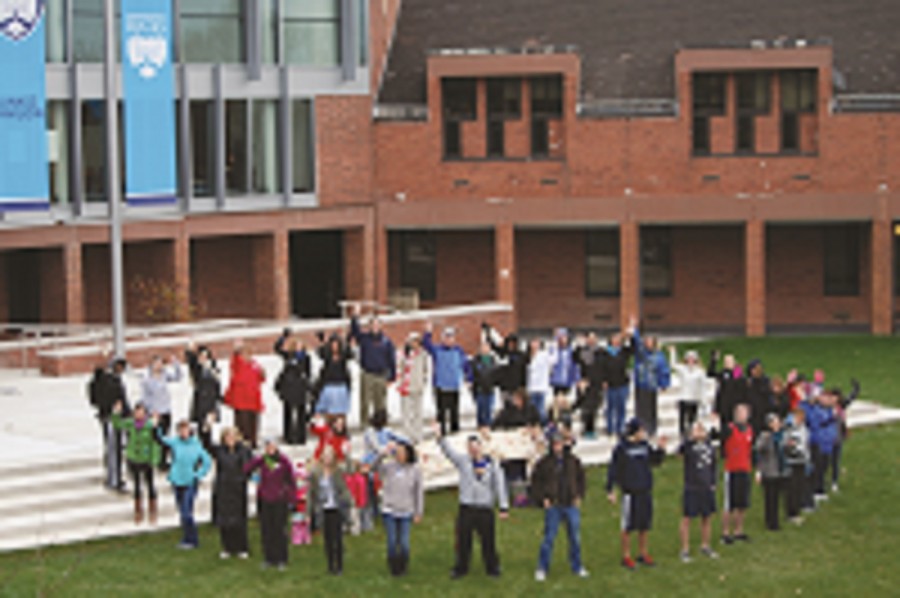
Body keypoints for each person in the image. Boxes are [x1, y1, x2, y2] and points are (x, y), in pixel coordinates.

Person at [435, 423, 509, 579]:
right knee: (464, 540)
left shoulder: (492, 465)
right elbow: (449, 452)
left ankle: (492, 568)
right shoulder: (463, 461)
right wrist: (440, 437)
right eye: (470, 447)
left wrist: (503, 507)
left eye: (476, 447)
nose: (474, 450)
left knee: (488, 540)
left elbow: (500, 485)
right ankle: (461, 568)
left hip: (485, 508)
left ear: (481, 447)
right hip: (467, 507)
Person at [606, 418, 667, 570]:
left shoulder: (645, 446)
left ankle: (643, 552)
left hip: (645, 490)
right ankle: (626, 555)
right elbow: (613, 469)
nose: (644, 433)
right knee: (628, 526)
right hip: (630, 492)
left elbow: (654, 461)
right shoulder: (622, 448)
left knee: (644, 525)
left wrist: (661, 449)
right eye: (641, 430)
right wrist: (610, 489)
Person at [531, 433, 588, 581]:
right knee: (549, 538)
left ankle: (577, 566)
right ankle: (542, 568)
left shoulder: (573, 461)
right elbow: (535, 482)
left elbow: (581, 479)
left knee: (575, 538)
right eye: (555, 444)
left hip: (570, 504)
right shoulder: (544, 463)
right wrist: (543, 499)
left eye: (560, 443)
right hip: (554, 505)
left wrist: (579, 495)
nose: (558, 447)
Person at [154, 417, 212, 549]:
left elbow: (207, 461)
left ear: (190, 431)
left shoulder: (196, 444)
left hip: (190, 481)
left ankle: (193, 539)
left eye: (185, 429)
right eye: (180, 430)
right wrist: (156, 426)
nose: (183, 432)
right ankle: (186, 538)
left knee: (187, 511)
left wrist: (198, 474)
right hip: (177, 480)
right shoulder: (175, 442)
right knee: (182, 511)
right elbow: (160, 439)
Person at [245, 438, 297, 570]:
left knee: (279, 529)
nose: (270, 450)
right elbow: (247, 468)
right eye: (268, 447)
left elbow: (291, 480)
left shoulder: (284, 461)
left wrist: (292, 499)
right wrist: (257, 459)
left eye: (272, 447)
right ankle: (269, 558)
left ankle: (281, 558)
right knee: (266, 530)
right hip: (264, 499)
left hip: (280, 499)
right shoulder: (263, 461)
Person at [374, 440, 424, 576]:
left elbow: (418, 492)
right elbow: (374, 467)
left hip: (406, 510)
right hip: (389, 509)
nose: (399, 455)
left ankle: (403, 566)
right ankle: (394, 568)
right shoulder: (389, 466)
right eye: (397, 452)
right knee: (392, 542)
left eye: (402, 452)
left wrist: (418, 512)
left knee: (404, 543)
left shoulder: (415, 470)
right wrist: (383, 454)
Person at [112, 400, 160, 524]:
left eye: (141, 412)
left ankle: (152, 510)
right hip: (134, 458)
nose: (138, 415)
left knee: (150, 485)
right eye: (137, 412)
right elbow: (117, 425)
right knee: (137, 485)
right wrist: (116, 413)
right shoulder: (130, 424)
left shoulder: (150, 426)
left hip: (146, 459)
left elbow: (155, 443)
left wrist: (154, 459)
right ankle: (138, 510)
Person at [308, 445, 352, 575]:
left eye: (330, 456)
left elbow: (350, 470)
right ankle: (330, 565)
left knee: (337, 538)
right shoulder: (316, 472)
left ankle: (339, 565)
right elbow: (312, 492)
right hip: (323, 508)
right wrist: (308, 511)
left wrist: (347, 455)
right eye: (325, 456)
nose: (327, 459)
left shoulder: (338, 470)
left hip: (337, 507)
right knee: (327, 538)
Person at [678, 421, 719, 562]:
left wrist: (713, 482)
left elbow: (714, 465)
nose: (700, 431)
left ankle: (705, 545)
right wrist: (690, 438)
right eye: (697, 429)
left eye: (702, 429)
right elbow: (681, 451)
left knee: (707, 517)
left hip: (706, 486)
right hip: (692, 486)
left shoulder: (710, 447)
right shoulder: (689, 447)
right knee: (687, 518)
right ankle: (684, 549)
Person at [88, 357, 129, 492]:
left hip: (109, 417)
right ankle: (113, 479)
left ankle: (113, 477)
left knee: (113, 448)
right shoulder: (111, 382)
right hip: (112, 418)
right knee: (113, 449)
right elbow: (121, 400)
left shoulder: (103, 382)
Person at [349, 306, 396, 425]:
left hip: (381, 375)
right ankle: (364, 425)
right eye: (372, 325)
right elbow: (355, 331)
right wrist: (355, 316)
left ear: (381, 326)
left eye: (377, 325)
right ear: (369, 326)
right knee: (365, 402)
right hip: (367, 374)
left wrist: (392, 377)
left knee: (380, 404)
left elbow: (392, 360)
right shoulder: (364, 339)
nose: (375, 327)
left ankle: (381, 426)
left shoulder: (387, 342)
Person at [423, 323, 472, 435]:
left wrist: (469, 378)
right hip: (440, 387)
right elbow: (427, 345)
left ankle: (455, 432)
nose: (449, 339)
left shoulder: (458, 350)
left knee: (454, 412)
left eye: (451, 337)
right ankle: (442, 434)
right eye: (447, 337)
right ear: (443, 338)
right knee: (441, 413)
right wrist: (428, 332)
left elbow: (465, 365)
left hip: (454, 386)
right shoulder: (437, 350)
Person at [212, 427, 252, 559]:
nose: (230, 439)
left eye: (233, 436)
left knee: (239, 518)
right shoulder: (220, 451)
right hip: (223, 487)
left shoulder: (244, 451)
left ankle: (242, 547)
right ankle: (227, 547)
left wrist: (241, 480)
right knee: (225, 519)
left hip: (238, 488)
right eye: (227, 437)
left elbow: (248, 468)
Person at [141, 354, 182, 470]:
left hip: (166, 410)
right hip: (155, 412)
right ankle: (160, 458)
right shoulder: (147, 379)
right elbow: (145, 397)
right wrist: (149, 411)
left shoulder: (164, 375)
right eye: (156, 364)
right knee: (157, 437)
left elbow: (178, 377)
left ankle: (163, 461)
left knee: (165, 435)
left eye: (160, 363)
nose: (159, 366)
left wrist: (175, 364)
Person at [721, 403, 754, 544]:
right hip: (732, 469)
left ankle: (739, 530)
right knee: (729, 503)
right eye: (740, 412)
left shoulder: (749, 430)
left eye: (744, 413)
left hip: (744, 468)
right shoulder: (729, 429)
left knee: (742, 503)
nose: (742, 415)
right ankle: (725, 532)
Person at [274, 331, 313, 445]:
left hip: (300, 387)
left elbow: (308, 372)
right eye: (296, 345)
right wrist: (283, 337)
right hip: (289, 387)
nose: (298, 347)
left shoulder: (306, 358)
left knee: (301, 412)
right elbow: (277, 349)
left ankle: (301, 436)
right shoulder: (288, 356)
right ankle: (288, 436)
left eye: (300, 345)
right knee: (288, 412)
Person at [224, 343, 265, 448]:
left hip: (253, 400)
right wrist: (237, 349)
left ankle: (253, 442)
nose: (247, 356)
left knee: (253, 424)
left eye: (249, 354)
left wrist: (262, 374)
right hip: (241, 400)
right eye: (244, 354)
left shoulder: (255, 364)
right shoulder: (238, 365)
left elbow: (261, 379)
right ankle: (241, 445)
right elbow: (234, 361)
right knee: (242, 424)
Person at [633, 327, 671, 437]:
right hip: (640, 385)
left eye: (650, 342)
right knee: (640, 408)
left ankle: (651, 429)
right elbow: (637, 343)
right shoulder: (641, 354)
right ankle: (640, 428)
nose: (648, 344)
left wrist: (664, 383)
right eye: (647, 341)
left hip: (652, 386)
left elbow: (663, 369)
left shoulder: (659, 356)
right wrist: (635, 331)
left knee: (651, 409)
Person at [185, 343, 222, 454]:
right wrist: (190, 350)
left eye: (206, 356)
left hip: (211, 402)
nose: (204, 358)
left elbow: (217, 385)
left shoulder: (213, 368)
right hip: (201, 402)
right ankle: (203, 447)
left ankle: (208, 445)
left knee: (209, 426)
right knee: (202, 426)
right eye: (201, 356)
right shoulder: (197, 369)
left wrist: (218, 400)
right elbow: (191, 361)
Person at [396, 332, 430, 443]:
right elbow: (399, 369)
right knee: (406, 414)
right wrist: (400, 384)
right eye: (412, 341)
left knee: (418, 413)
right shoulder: (403, 354)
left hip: (418, 387)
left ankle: (417, 435)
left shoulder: (423, 354)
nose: (414, 343)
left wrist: (423, 382)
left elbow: (425, 369)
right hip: (406, 387)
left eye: (416, 341)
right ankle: (407, 436)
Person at [603, 323, 636, 437]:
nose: (616, 341)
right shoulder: (605, 353)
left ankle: (620, 428)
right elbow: (602, 367)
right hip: (610, 384)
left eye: (618, 339)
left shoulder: (623, 352)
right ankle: (610, 428)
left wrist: (631, 335)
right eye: (614, 339)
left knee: (621, 407)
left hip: (622, 383)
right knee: (610, 408)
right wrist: (604, 380)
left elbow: (634, 348)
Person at [755, 413, 787, 531]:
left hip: (779, 469)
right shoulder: (765, 436)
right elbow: (758, 449)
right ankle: (770, 522)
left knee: (777, 497)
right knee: (770, 497)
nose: (777, 424)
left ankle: (775, 520)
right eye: (774, 422)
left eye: (778, 421)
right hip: (768, 470)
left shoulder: (781, 435)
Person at [482, 322, 527, 404]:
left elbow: (524, 371)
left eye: (513, 343)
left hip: (517, 388)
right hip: (505, 388)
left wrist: (523, 385)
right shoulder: (503, 353)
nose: (511, 345)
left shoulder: (521, 355)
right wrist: (487, 332)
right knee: (507, 408)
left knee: (516, 409)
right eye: (510, 343)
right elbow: (493, 346)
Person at [314, 333, 354, 417]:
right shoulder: (327, 356)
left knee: (341, 412)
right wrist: (322, 341)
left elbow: (351, 354)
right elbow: (319, 352)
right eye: (332, 344)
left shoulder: (344, 355)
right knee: (328, 412)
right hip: (328, 387)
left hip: (341, 386)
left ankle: (341, 428)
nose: (334, 346)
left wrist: (348, 342)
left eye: (336, 344)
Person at [573, 333, 604, 439]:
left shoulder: (600, 352)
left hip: (597, 383)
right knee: (585, 408)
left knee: (594, 408)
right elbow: (575, 359)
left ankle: (592, 429)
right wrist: (578, 345)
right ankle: (585, 428)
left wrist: (604, 381)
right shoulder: (582, 351)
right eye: (589, 338)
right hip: (584, 383)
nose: (591, 340)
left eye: (593, 338)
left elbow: (604, 367)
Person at [831, 379, 860, 492]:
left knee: (835, 461)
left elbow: (850, 398)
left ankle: (834, 481)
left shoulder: (840, 407)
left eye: (836, 397)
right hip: (826, 439)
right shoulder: (824, 408)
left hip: (837, 438)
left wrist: (856, 389)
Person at [783, 408, 810, 524]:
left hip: (802, 461)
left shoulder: (803, 428)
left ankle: (797, 509)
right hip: (792, 461)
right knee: (792, 488)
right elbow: (787, 444)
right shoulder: (790, 429)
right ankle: (791, 512)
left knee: (800, 486)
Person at [708, 351, 746, 431]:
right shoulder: (723, 373)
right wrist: (714, 360)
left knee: (735, 427)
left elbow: (742, 389)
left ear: (734, 362)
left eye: (729, 361)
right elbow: (710, 373)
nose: (727, 363)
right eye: (726, 362)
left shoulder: (738, 374)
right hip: (724, 406)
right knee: (724, 428)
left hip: (735, 407)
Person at [677, 350, 706, 438]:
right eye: (689, 359)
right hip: (683, 398)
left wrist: (703, 400)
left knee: (692, 420)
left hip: (694, 399)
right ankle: (683, 437)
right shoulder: (683, 369)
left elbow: (702, 387)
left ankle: (691, 436)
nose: (690, 361)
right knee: (682, 421)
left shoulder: (700, 371)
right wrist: (673, 352)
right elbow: (673, 365)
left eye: (692, 359)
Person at [470, 341, 498, 429]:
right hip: (480, 390)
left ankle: (488, 428)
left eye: (487, 347)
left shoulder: (493, 360)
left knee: (489, 411)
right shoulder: (475, 360)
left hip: (490, 390)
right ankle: (480, 427)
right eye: (483, 347)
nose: (485, 349)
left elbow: (496, 373)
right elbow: (472, 374)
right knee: (480, 411)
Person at [548, 328, 580, 401]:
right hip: (556, 381)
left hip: (567, 380)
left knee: (565, 401)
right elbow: (550, 363)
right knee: (557, 401)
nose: (562, 339)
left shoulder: (571, 350)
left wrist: (577, 378)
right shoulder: (554, 350)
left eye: (564, 337)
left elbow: (575, 366)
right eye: (560, 337)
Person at [526, 339, 553, 423]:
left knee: (541, 408)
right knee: (532, 408)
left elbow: (552, 360)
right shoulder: (528, 356)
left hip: (541, 386)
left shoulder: (544, 354)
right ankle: (533, 425)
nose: (534, 344)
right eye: (533, 342)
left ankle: (543, 425)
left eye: (536, 343)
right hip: (531, 386)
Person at [745, 359, 771, 435]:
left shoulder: (766, 381)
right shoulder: (748, 383)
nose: (755, 372)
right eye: (753, 369)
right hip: (752, 415)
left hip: (763, 413)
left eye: (757, 369)